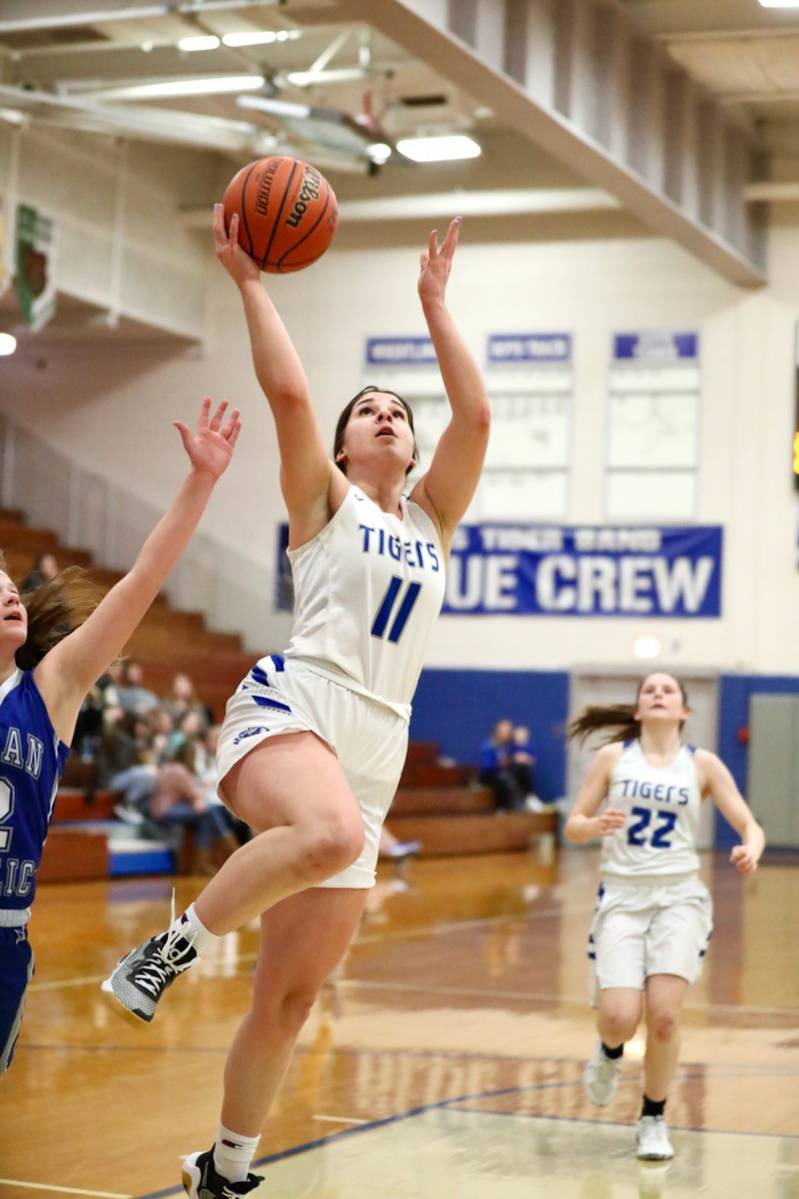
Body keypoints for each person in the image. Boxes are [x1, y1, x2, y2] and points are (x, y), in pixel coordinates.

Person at [101, 208, 490, 1199]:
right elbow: (286, 390)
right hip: (296, 703)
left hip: (380, 741)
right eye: (369, 410)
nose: (387, 417)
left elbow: (475, 417)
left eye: (397, 412)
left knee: (289, 994)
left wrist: (434, 304)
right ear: (347, 445)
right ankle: (167, 947)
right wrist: (249, 281)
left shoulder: (433, 517)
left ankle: (224, 1168)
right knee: (322, 830)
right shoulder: (323, 502)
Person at [0, 397, 240, 1074]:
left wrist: (201, 481)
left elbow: (140, 582)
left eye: (10, 585)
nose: (11, 593)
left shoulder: (50, 688)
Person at [564, 672, 765, 1161]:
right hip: (623, 898)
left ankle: (653, 1118)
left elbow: (748, 822)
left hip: (678, 897)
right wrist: (593, 825)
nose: (657, 694)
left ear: (684, 712)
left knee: (664, 1017)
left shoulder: (704, 765)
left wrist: (750, 848)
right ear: (638, 711)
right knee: (617, 1017)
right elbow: (573, 825)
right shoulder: (614, 759)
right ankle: (610, 1050)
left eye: (667, 690)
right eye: (648, 690)